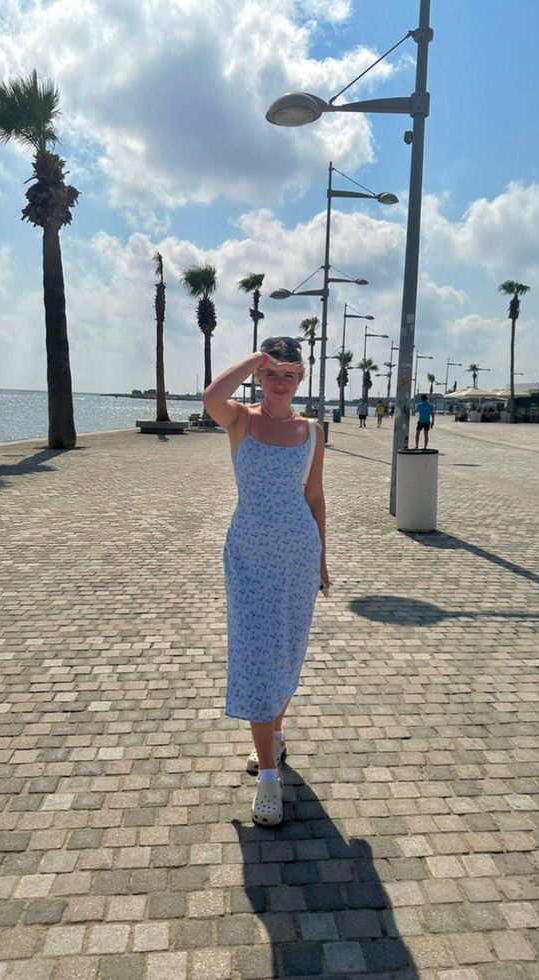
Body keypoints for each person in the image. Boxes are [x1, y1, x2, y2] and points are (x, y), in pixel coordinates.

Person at [203, 337, 329, 827]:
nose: (279, 382)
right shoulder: (240, 419)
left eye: (289, 374)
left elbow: (315, 497)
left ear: (301, 379)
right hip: (250, 556)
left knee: (287, 651)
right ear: (261, 376)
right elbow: (210, 397)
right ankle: (269, 781)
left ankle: (272, 736)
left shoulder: (312, 431)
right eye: (272, 373)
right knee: (257, 656)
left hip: (298, 555)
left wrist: (322, 557)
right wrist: (256, 358)